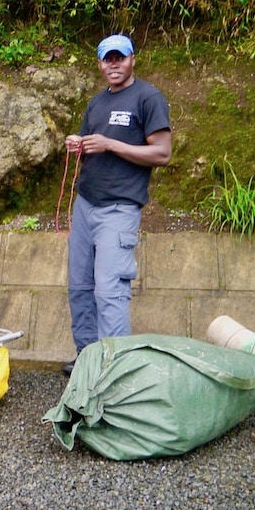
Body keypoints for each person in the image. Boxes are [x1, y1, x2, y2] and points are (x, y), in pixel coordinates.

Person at [63, 34, 172, 375]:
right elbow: (89, 146)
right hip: (86, 204)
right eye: (107, 59)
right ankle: (88, 359)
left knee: (110, 290)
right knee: (79, 286)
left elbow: (162, 153)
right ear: (99, 64)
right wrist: (77, 144)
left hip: (119, 209)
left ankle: (114, 368)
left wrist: (110, 144)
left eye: (119, 58)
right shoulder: (96, 103)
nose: (114, 64)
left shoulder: (148, 98)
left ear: (132, 60)